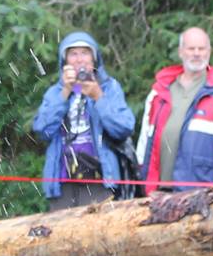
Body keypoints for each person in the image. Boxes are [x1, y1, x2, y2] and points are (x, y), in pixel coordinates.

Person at [32, 31, 136, 209]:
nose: (79, 59)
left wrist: (98, 97)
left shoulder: (109, 88)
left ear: (94, 59)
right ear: (64, 61)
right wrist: (65, 92)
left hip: (100, 181)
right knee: (62, 235)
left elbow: (124, 128)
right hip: (62, 183)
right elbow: (43, 130)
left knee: (101, 235)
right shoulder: (55, 92)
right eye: (73, 54)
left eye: (85, 53)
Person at [138, 28, 213, 191]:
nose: (196, 53)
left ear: (209, 52)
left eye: (201, 48)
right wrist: (147, 184)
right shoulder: (159, 91)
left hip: (203, 191)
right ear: (181, 52)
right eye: (191, 48)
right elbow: (144, 142)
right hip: (160, 192)